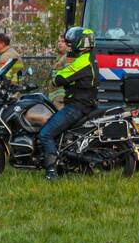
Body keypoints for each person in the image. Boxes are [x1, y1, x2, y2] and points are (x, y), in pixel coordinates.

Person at [37, 27, 98, 181]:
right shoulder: (89, 58)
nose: (70, 45)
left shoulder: (81, 62)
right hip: (83, 105)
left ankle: (51, 172)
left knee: (45, 134)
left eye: (72, 42)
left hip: (75, 107)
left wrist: (55, 75)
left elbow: (58, 79)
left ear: (80, 42)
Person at [48, 33, 69, 109]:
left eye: (63, 41)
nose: (60, 43)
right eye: (59, 41)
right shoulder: (60, 56)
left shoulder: (68, 57)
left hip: (61, 99)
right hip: (55, 98)